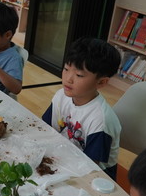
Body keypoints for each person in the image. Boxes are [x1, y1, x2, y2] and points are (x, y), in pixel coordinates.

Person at [42, 37, 121, 179]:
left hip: (93, 176)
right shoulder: (62, 95)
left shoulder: (100, 120)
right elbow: (44, 129)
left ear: (102, 82)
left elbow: (90, 167)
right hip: (63, 158)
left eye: (79, 75)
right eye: (66, 69)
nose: (68, 79)